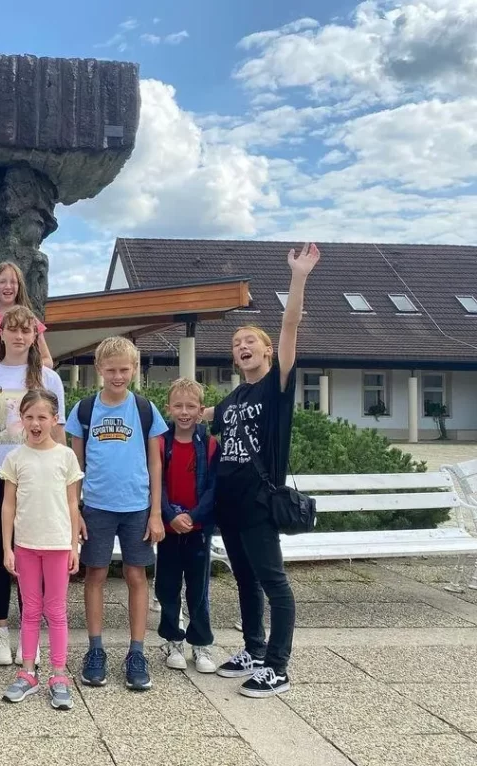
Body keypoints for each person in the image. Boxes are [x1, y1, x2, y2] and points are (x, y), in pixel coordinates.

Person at [209, 242, 320, 698]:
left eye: (250, 341)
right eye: (236, 344)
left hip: (259, 501)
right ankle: (254, 650)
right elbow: (202, 424)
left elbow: (290, 324)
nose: (242, 346)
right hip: (229, 502)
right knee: (245, 579)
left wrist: (298, 276)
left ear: (268, 351)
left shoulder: (277, 387)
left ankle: (278, 667)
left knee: (273, 581)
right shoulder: (233, 399)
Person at [0, 305, 67, 666]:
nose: (20, 336)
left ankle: (31, 632)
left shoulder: (49, 379)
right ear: (2, 333)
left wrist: (64, 484)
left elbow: (59, 434)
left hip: (39, 477)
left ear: (35, 336)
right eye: (14, 329)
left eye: (27, 330)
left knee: (33, 554)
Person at [66, 336, 167, 691]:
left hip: (137, 507)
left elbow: (156, 464)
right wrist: (76, 511)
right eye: (111, 370)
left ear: (135, 369)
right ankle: (95, 649)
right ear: (99, 369)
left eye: (125, 369)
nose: (118, 376)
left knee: (136, 575)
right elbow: (74, 467)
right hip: (96, 507)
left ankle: (136, 652)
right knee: (94, 574)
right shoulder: (84, 411)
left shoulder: (145, 409)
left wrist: (156, 512)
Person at [0, 389, 84, 710]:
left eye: (42, 417)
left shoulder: (66, 456)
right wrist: (7, 548)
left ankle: (59, 675)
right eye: (29, 417)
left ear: (54, 419)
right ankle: (28, 672)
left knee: (56, 611)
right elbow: (8, 505)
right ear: (21, 419)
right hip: (25, 546)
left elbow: (73, 504)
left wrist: (74, 545)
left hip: (58, 545)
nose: (36, 423)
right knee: (31, 610)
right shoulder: (15, 458)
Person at [156, 378, 218, 675]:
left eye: (190, 406)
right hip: (169, 530)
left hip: (198, 530)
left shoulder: (209, 444)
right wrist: (170, 515)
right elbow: (157, 484)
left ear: (201, 410)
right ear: (168, 408)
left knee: (198, 590)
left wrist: (193, 516)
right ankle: (173, 640)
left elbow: (214, 487)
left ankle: (201, 642)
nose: (184, 412)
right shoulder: (161, 442)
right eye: (178, 406)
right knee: (167, 587)